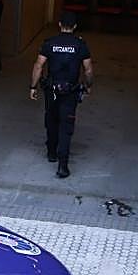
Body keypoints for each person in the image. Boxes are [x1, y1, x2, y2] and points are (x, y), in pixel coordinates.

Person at [29, 12, 94, 179]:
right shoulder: (80, 45)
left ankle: (51, 152)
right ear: (74, 27)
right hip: (70, 92)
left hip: (52, 91)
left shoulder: (50, 43)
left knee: (51, 120)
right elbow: (88, 69)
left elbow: (38, 66)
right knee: (66, 126)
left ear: (59, 25)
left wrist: (33, 86)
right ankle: (63, 166)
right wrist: (88, 85)